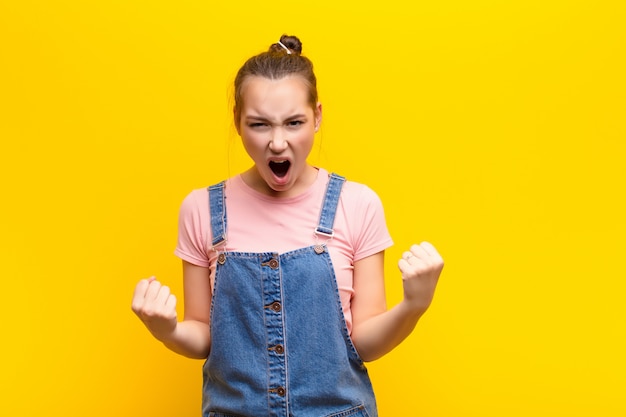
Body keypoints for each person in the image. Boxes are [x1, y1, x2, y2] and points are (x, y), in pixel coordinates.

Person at [131, 35, 444, 417]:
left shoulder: (357, 204)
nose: (277, 143)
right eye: (259, 125)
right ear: (237, 122)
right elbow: (202, 333)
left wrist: (415, 305)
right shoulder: (201, 209)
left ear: (318, 117)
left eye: (294, 123)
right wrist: (168, 331)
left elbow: (365, 340)